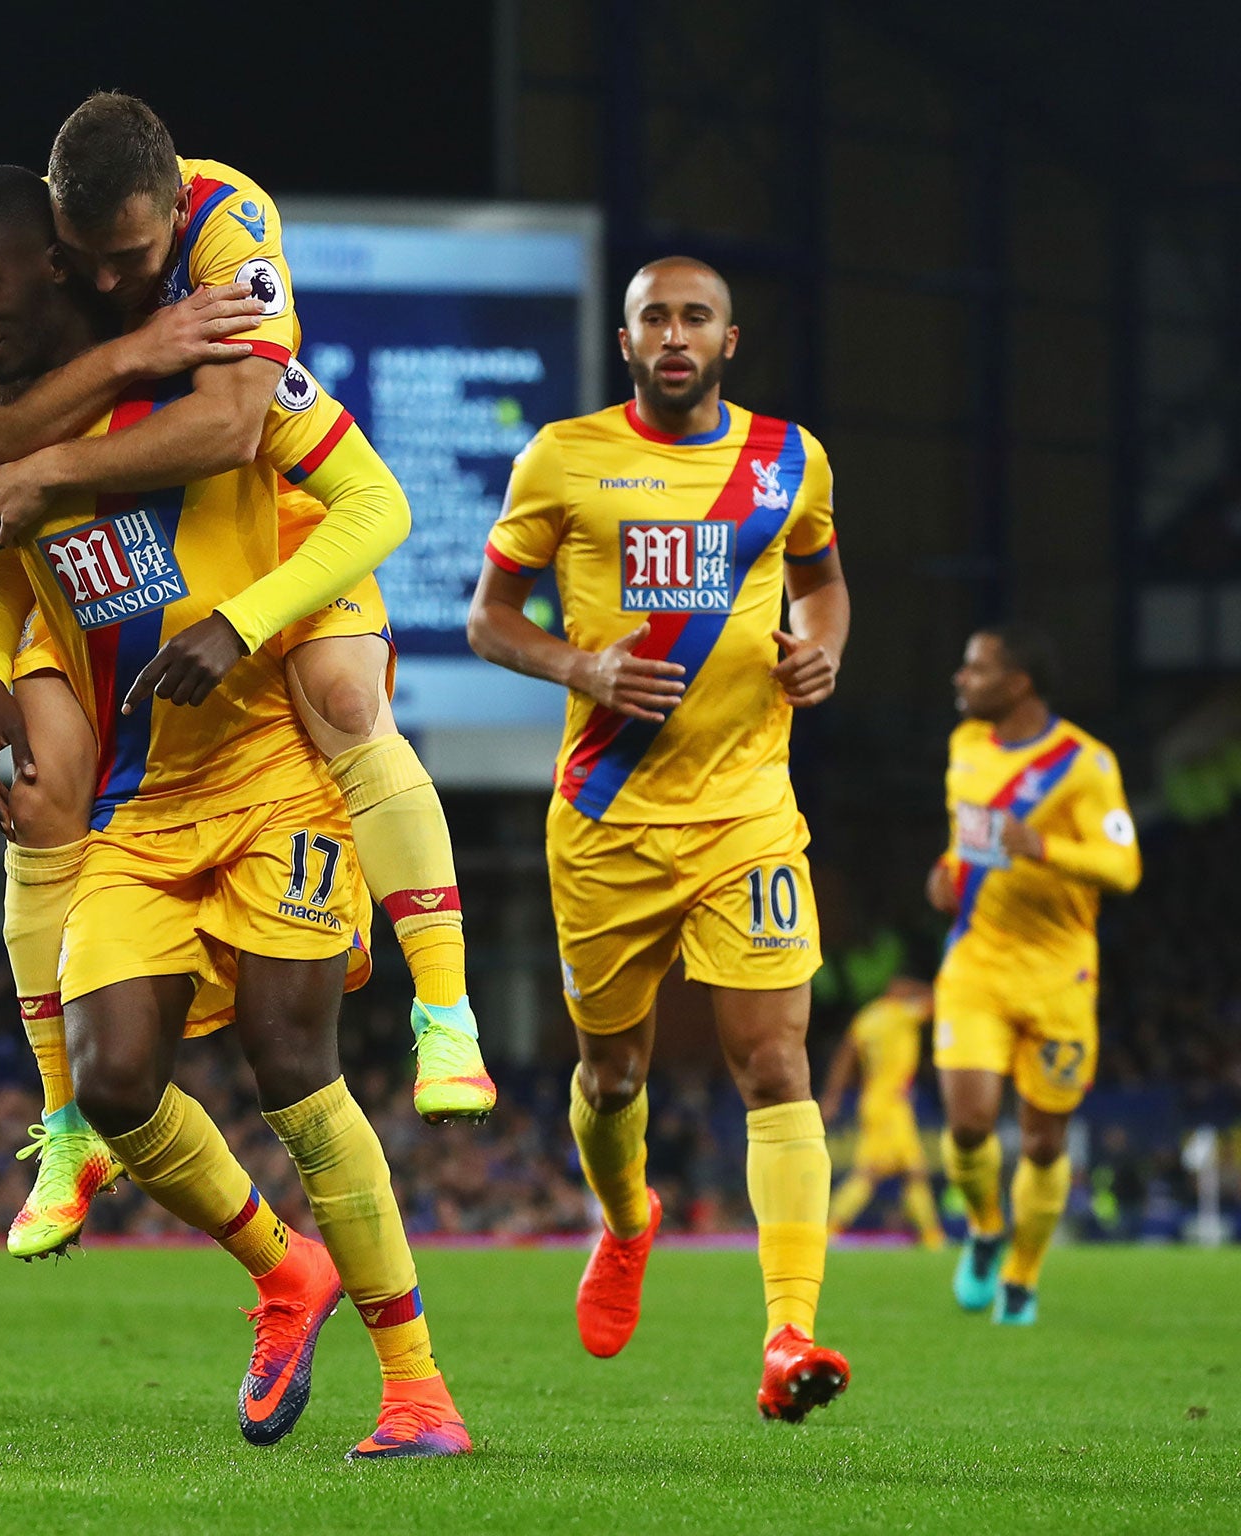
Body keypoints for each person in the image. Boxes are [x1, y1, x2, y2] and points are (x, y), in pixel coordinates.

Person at [0, 167, 469, 1459]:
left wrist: (244, 625)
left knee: (293, 1062)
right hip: (144, 797)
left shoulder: (223, 369)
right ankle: (286, 1273)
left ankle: (418, 1389)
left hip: (269, 771)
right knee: (122, 1083)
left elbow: (371, 497)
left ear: (66, 265)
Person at [466, 256, 854, 1421]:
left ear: (728, 340)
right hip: (604, 821)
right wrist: (576, 664)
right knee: (610, 1070)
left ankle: (789, 1335)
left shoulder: (789, 459)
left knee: (774, 1064)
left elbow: (822, 583)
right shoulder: (560, 458)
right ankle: (627, 1221)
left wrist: (818, 644)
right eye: (653, 318)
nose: (673, 334)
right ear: (625, 341)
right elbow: (486, 618)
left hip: (747, 815)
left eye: (694, 317)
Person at [928, 624, 1140, 1325]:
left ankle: (1021, 1275)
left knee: (1045, 1141)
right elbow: (967, 840)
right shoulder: (963, 748)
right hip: (976, 963)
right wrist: (947, 873)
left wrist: (1043, 845)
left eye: (975, 667)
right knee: (967, 1124)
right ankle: (987, 1229)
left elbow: (1123, 867)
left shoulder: (1085, 764)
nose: (961, 678)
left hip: (1057, 977)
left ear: (1017, 682)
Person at [820, 976, 943, 1247]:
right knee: (870, 1172)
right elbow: (941, 1001)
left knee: (913, 1171)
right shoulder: (900, 1014)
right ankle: (829, 1229)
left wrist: (832, 1096)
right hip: (890, 1104)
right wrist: (919, 988)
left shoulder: (867, 1017)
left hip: (877, 1100)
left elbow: (846, 1054)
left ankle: (933, 1238)